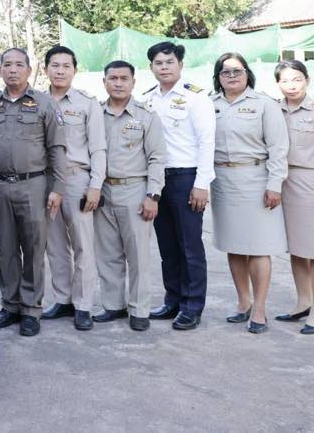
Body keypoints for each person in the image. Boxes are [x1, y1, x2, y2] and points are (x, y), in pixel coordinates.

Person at [0, 48, 65, 337]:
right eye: (7, 64)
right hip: (0, 185)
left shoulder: (44, 103)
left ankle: (31, 309)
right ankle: (11, 305)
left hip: (33, 184)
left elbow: (57, 148)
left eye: (19, 64)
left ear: (29, 71)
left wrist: (57, 188)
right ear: (0, 70)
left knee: (33, 249)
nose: (13, 70)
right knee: (6, 248)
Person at [210, 52, 289, 334]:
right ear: (218, 77)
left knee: (258, 247)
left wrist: (275, 184)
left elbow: (278, 147)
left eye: (237, 71)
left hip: (256, 180)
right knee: (233, 245)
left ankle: (259, 308)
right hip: (222, 181)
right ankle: (243, 302)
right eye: (225, 72)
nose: (231, 76)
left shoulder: (264, 104)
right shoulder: (209, 104)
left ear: (247, 74)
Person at [143, 41, 214, 331]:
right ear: (151, 67)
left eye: (169, 62)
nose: (164, 67)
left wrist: (201, 184)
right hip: (158, 179)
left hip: (186, 178)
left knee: (190, 246)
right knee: (167, 246)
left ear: (180, 65)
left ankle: (192, 306)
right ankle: (172, 299)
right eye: (158, 63)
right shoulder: (148, 98)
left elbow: (207, 142)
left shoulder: (195, 97)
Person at [94, 61, 166, 332]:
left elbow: (157, 157)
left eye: (124, 78)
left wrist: (153, 195)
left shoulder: (146, 116)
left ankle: (139, 309)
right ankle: (113, 305)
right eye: (112, 78)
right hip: (103, 191)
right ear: (104, 82)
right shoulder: (95, 114)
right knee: (107, 253)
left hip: (135, 190)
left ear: (133, 82)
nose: (118, 83)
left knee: (138, 256)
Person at [40, 46, 106, 330]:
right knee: (54, 244)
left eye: (66, 66)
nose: (60, 71)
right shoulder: (37, 101)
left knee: (82, 244)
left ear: (75, 70)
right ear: (46, 69)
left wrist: (95, 185)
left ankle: (83, 305)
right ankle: (63, 299)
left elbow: (99, 148)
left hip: (77, 178)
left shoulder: (87, 104)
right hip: (45, 180)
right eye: (55, 65)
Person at [274, 60, 314, 335]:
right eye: (285, 80)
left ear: (307, 80)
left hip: (312, 184)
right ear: (278, 83)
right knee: (298, 249)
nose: (291, 85)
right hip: (284, 184)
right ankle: (303, 301)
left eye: (297, 79)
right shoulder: (273, 110)